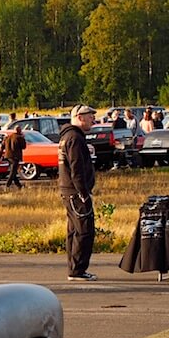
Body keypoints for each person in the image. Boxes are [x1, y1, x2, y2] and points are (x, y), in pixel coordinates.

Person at [59, 105, 98, 281]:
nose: (93, 120)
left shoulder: (68, 136)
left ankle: (74, 269)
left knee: (74, 231)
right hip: (76, 193)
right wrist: (83, 191)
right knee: (84, 230)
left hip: (69, 191)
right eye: (90, 116)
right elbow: (76, 168)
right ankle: (77, 270)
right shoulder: (74, 138)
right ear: (80, 117)